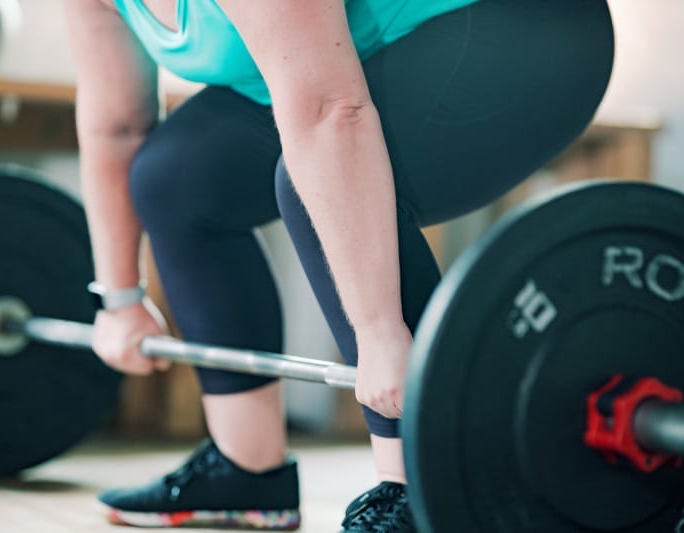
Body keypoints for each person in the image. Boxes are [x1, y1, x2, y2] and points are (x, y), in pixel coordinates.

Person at [65, 0, 614, 530]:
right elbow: (118, 127)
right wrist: (119, 300)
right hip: (363, 53)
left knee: (315, 186)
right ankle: (248, 470)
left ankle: (420, 494)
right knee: (170, 177)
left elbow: (331, 113)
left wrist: (380, 333)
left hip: (526, 31)